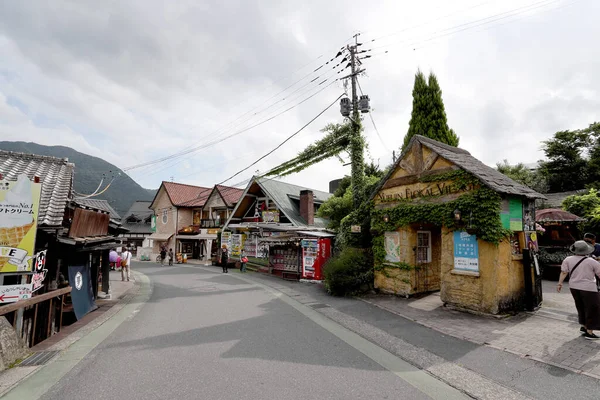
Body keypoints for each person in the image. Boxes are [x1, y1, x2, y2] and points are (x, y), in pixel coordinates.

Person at [557, 240, 600, 340]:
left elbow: (564, 272)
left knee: (580, 306)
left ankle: (584, 326)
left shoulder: (568, 259)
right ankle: (589, 332)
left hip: (574, 287)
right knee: (593, 308)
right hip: (589, 288)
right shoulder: (592, 261)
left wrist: (559, 283)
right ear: (587, 250)